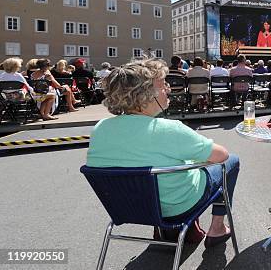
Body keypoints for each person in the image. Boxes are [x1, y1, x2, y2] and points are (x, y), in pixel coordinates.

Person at [86, 58, 238, 246]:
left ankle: (170, 230)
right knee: (231, 161)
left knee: (176, 165)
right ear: (145, 94)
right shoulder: (169, 129)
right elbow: (221, 155)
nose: (168, 89)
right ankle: (217, 229)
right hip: (176, 207)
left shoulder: (100, 128)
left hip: (127, 208)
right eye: (162, 84)